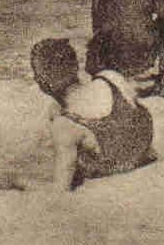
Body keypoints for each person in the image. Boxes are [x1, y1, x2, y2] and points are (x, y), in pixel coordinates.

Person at [32, 38, 156, 191]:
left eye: (37, 74)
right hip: (142, 150)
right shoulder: (110, 77)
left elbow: (59, 189)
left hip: (117, 162)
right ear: (76, 66)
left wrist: (14, 181)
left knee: (63, 127)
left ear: (42, 81)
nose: (35, 78)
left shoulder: (65, 125)